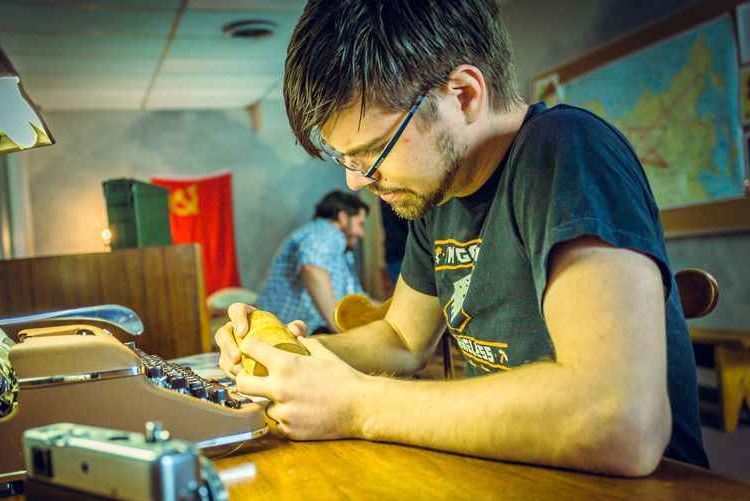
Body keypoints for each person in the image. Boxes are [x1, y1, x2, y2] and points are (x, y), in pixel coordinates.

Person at [217, 0, 708, 476]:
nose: (356, 182)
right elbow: (402, 339)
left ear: (464, 95)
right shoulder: (440, 193)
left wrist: (358, 406)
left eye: (372, 150)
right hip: (519, 478)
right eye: (347, 158)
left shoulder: (568, 153)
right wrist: (291, 361)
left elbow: (621, 421)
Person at [255, 190, 368, 334]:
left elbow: (358, 299)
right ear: (343, 218)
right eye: (360, 224)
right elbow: (312, 269)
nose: (361, 233)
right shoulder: (325, 232)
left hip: (299, 331)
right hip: (287, 333)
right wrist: (339, 329)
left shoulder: (341, 250)